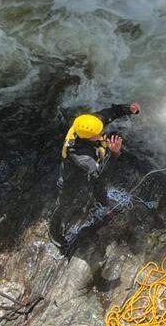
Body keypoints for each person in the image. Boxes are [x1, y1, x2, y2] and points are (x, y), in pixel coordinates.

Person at [48, 102, 141, 249]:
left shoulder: (89, 123)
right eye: (98, 133)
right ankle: (54, 232)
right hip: (72, 177)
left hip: (92, 161)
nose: (101, 132)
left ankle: (102, 204)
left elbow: (111, 112)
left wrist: (129, 108)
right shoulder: (79, 155)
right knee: (65, 203)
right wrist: (114, 154)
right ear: (89, 138)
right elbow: (99, 174)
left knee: (99, 187)